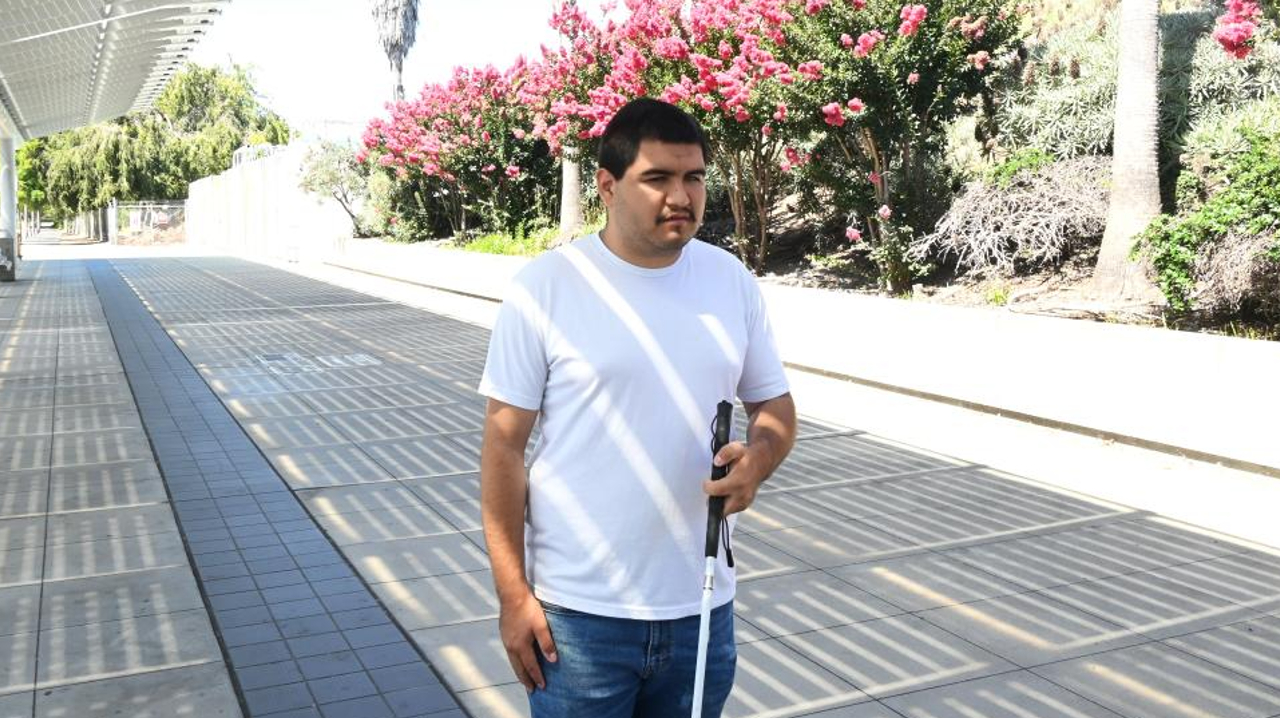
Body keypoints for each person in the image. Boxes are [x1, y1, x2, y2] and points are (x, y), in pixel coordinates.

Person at [478, 97, 797, 718]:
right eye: (657, 178)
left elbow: (776, 407)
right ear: (607, 184)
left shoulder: (730, 282)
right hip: (579, 620)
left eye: (694, 177)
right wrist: (513, 595)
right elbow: (503, 449)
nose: (681, 195)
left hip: (702, 608)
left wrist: (759, 457)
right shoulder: (544, 289)